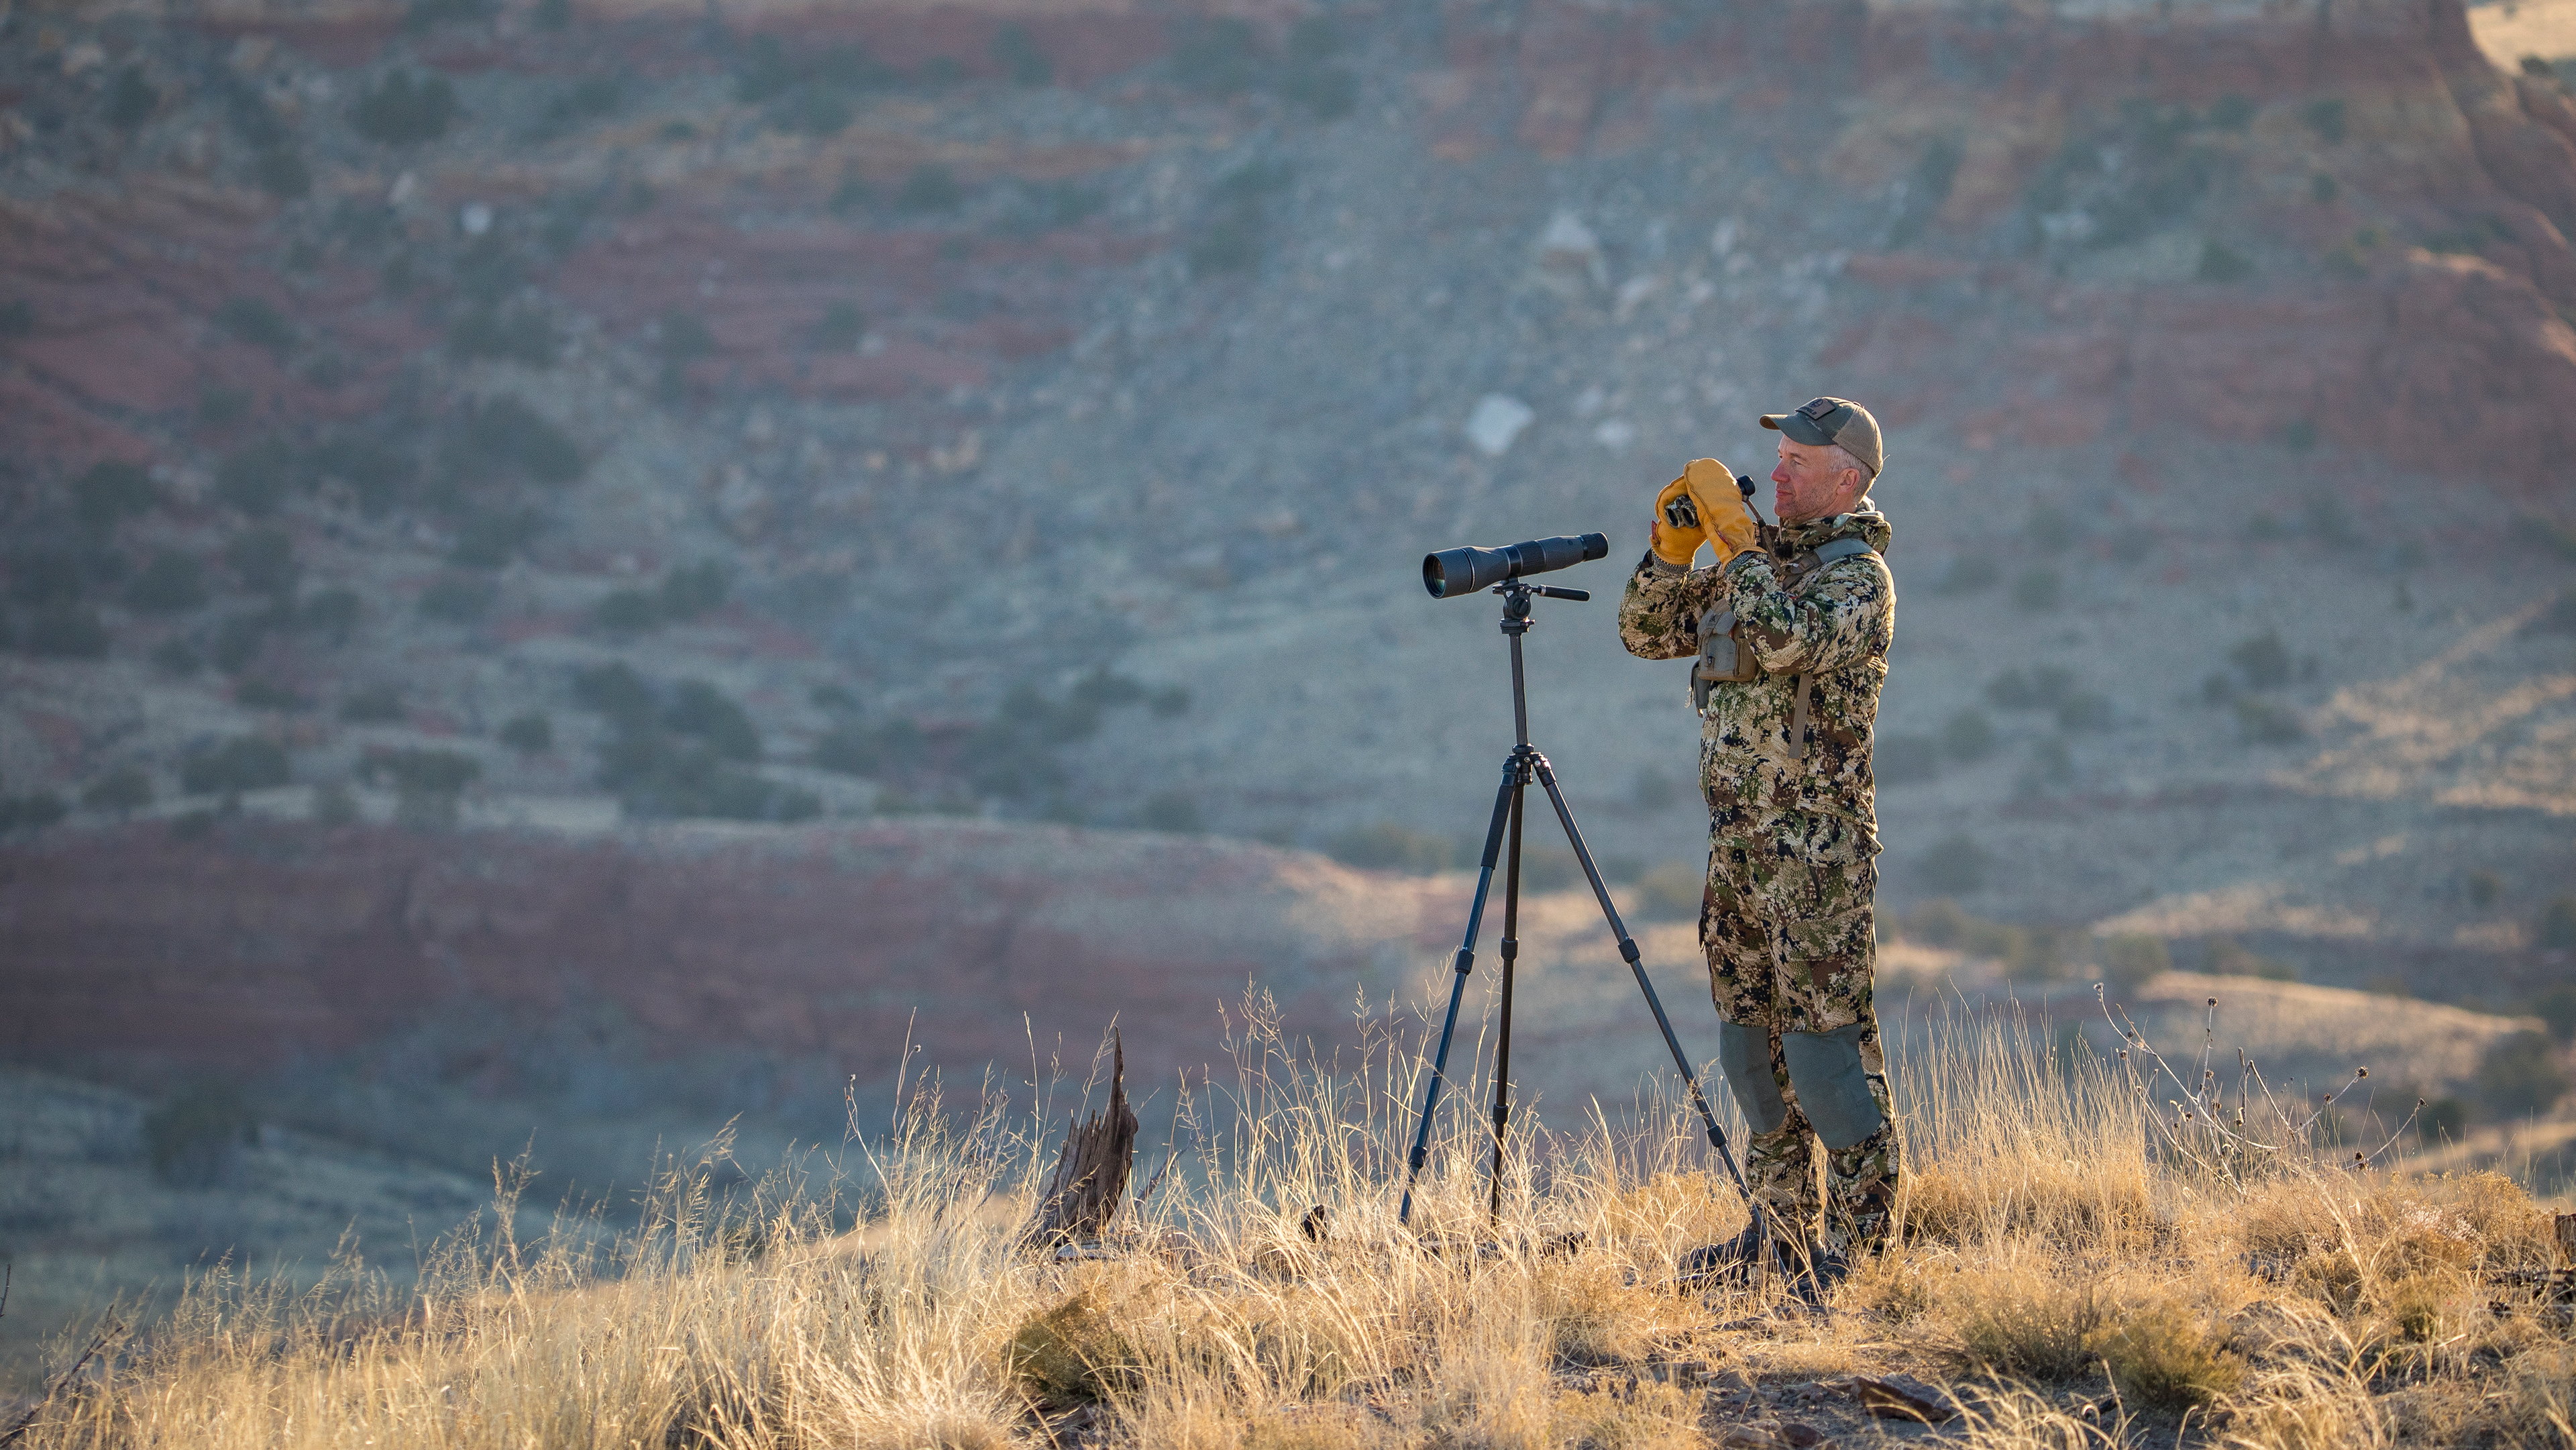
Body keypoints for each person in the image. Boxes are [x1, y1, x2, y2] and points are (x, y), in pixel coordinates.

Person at [1616, 396, 1900, 1282]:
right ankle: (1776, 1235)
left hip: (1817, 860)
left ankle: (1863, 1251)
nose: (1775, 474)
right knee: (1751, 1050)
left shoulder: (1856, 581)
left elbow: (1779, 639)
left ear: (1844, 480)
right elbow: (1644, 632)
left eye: (1797, 464)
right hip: (1738, 852)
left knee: (1824, 1055)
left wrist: (1736, 545)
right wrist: (1671, 550)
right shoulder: (1760, 563)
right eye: (1775, 459)